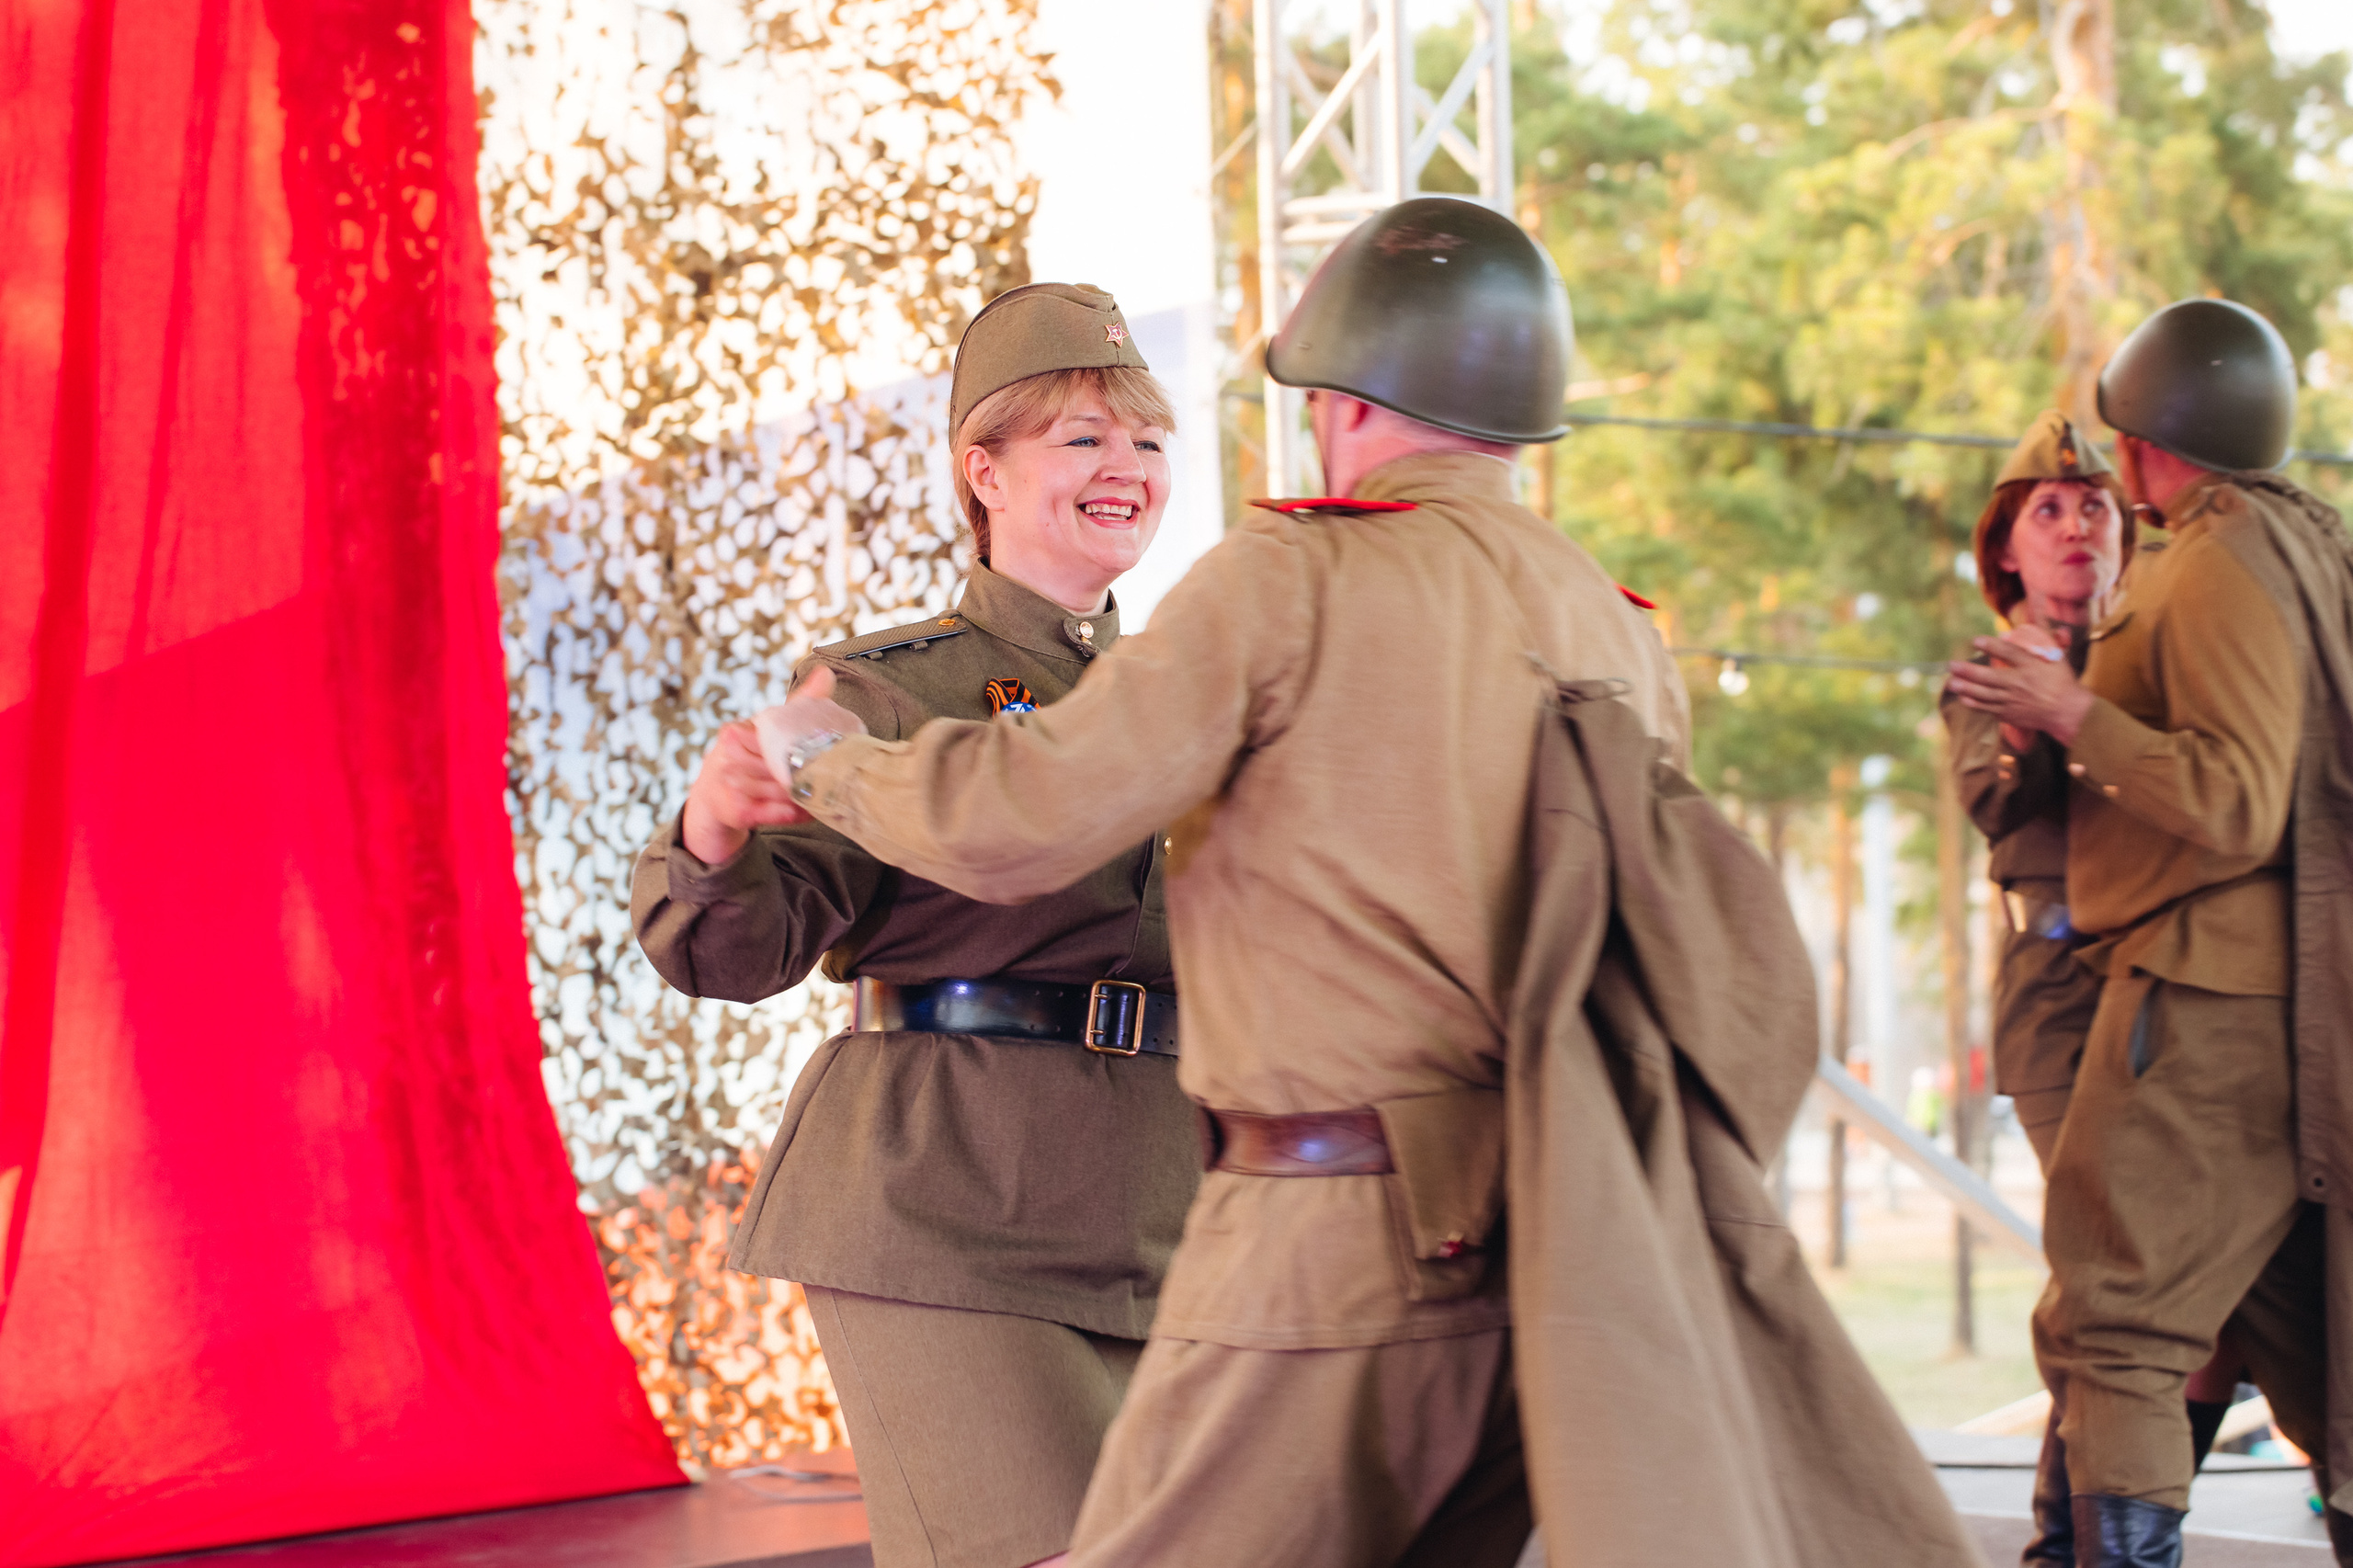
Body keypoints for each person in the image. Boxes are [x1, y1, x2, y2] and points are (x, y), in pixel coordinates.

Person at [749, 198, 1979, 1567]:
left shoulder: (1292, 573)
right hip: (1550, 1244)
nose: (1130, 465)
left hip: (1324, 1235)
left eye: (1141, 435)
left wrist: (833, 767)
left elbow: (1022, 817)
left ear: (1342, 394)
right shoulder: (1614, 625)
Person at [631, 283, 1201, 1568]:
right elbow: (739, 949)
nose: (1127, 467)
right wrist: (716, 830)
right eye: (1082, 438)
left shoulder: (1190, 693)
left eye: (1148, 441)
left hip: (1164, 1212)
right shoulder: (890, 688)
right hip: (943, 1202)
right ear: (982, 470)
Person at [1947, 297, 2353, 1567]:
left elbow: (2233, 799)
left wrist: (2074, 708)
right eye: (2046, 509)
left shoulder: (2214, 563)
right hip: (2138, 1003)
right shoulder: (2304, 548)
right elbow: (1997, 803)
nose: (2084, 512)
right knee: (2292, 1328)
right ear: (2004, 548)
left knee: (2116, 1318)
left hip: (2193, 1002)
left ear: (2143, 458)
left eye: (2094, 494)